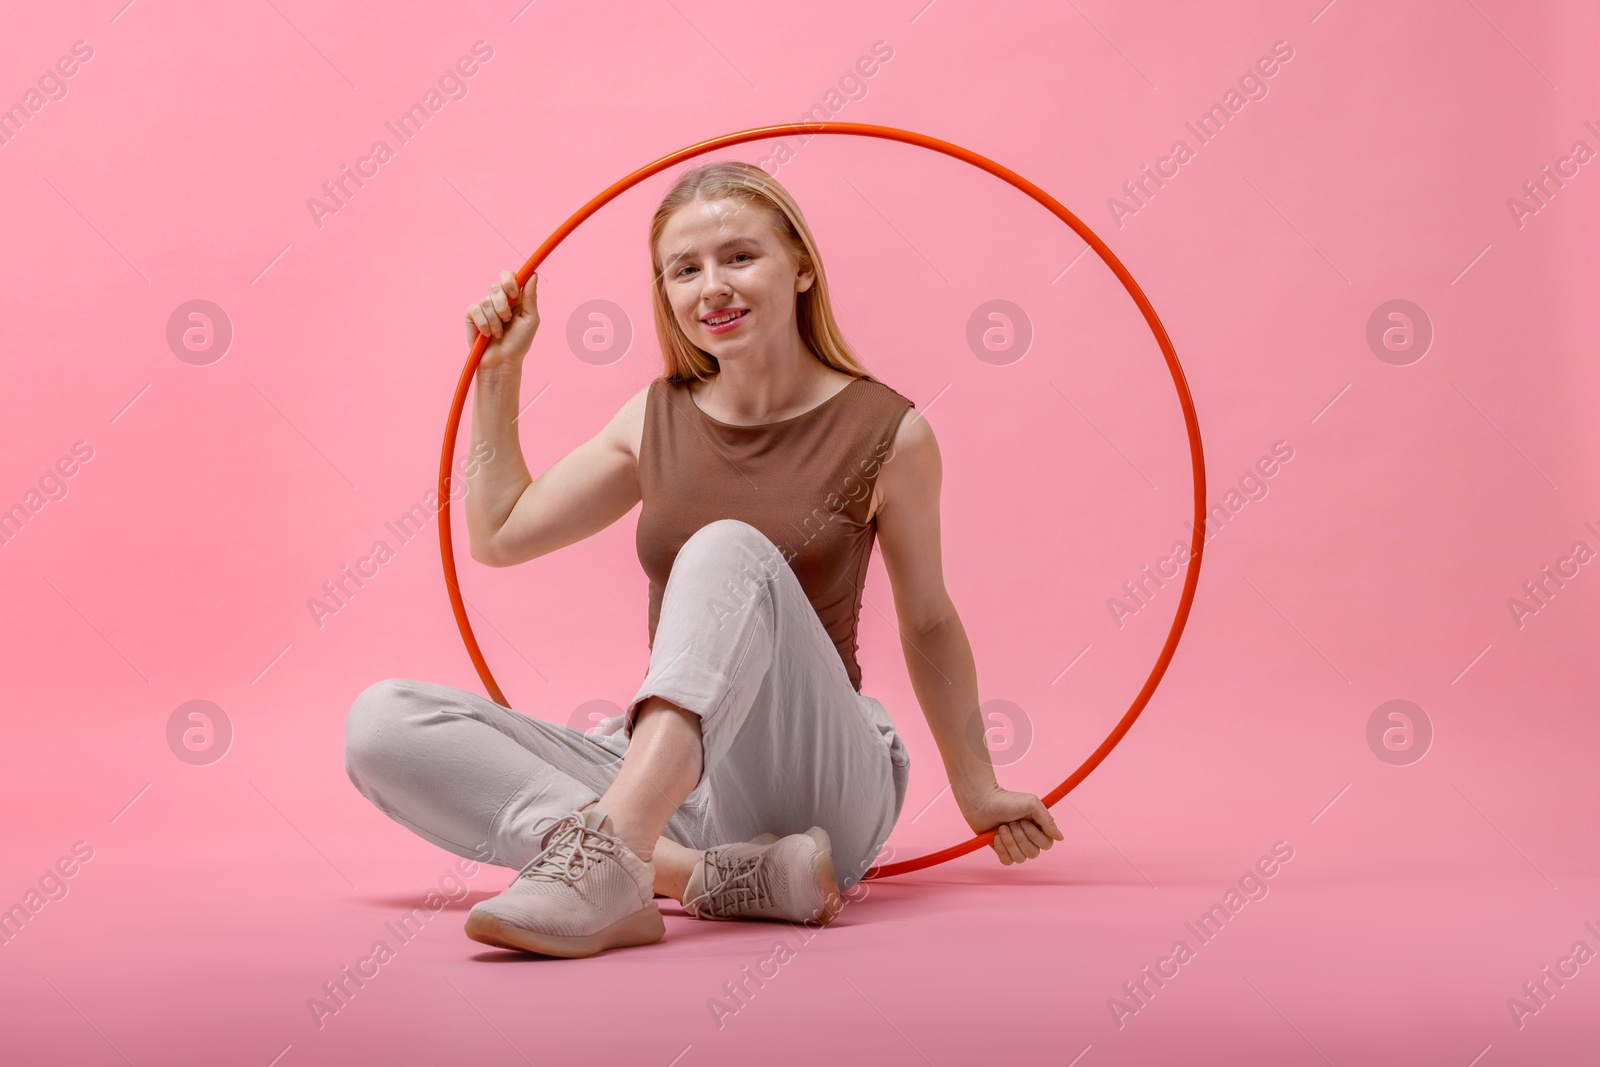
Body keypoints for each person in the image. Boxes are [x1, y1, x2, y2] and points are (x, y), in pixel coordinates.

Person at [343, 160, 1062, 959]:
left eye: (738, 257)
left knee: (723, 546)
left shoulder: (888, 431)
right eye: (684, 270)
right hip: (681, 787)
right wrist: (500, 372)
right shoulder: (655, 417)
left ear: (801, 269)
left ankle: (609, 856)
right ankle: (701, 875)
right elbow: (501, 533)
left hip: (819, 779)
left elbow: (927, 619)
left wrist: (978, 788)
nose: (710, 288)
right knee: (382, 722)